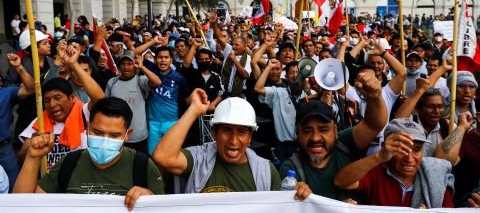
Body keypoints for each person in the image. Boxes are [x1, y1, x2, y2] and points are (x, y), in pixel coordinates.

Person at [152, 89, 311, 200]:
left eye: (241, 132)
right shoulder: (198, 159)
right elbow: (162, 156)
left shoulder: (266, 172)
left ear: (250, 137)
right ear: (214, 133)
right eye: (227, 131)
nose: (233, 141)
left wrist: (296, 196)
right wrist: (194, 110)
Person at [13, 97, 165, 211]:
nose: (105, 140)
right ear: (87, 127)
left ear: (127, 135)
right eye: (97, 132)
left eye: (114, 135)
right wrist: (33, 158)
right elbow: (22, 206)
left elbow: (165, 208)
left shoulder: (142, 165)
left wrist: (149, 200)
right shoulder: (69, 162)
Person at [279, 69, 387, 201]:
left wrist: (375, 97)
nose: (315, 138)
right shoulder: (291, 170)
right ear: (297, 133)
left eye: (323, 129)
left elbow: (374, 124)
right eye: (307, 131)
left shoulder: (345, 142)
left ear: (335, 131)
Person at [334, 118, 455, 208]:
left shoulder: (435, 176)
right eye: (402, 149)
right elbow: (341, 181)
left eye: (416, 150)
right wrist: (379, 156)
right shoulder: (376, 171)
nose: (409, 158)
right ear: (386, 148)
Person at [17, 45, 105, 168]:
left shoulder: (83, 113)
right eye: (47, 100)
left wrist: (73, 64)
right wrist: (32, 149)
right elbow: (21, 159)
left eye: (58, 98)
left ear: (72, 98)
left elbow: (100, 100)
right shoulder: (40, 122)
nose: (52, 105)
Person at [134, 38, 189, 155]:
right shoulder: (151, 68)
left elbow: (187, 99)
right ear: (155, 59)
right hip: (152, 122)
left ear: (171, 60)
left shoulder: (179, 78)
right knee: (153, 155)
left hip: (172, 122)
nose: (163, 60)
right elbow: (136, 52)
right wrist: (153, 41)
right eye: (160, 57)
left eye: (166, 57)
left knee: (171, 155)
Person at [105, 51, 161, 153]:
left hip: (139, 137)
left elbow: (157, 82)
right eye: (123, 64)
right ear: (119, 66)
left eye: (129, 64)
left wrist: (142, 67)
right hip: (118, 136)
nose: (126, 67)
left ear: (134, 66)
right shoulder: (112, 82)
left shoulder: (140, 80)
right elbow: (106, 106)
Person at [0, 53, 35, 192]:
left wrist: (18, 67)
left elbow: (31, 89)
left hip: (4, 149)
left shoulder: (6, 93)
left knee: (16, 187)